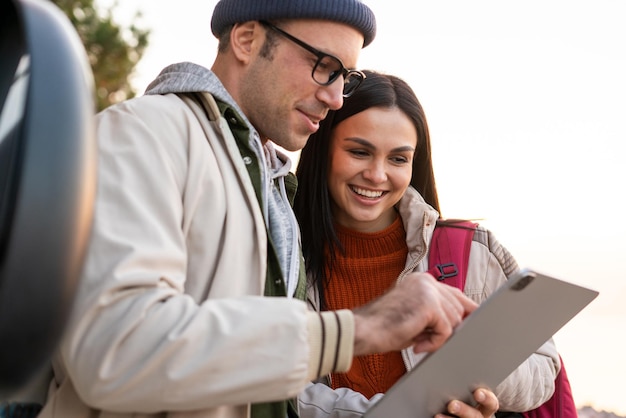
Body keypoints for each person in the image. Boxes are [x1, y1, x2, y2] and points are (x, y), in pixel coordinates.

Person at [38, 1, 499, 417]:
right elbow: (115, 352)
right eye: (323, 66)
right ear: (246, 39)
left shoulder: (272, 182)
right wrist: (360, 328)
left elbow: (267, 387)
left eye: (347, 77)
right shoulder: (141, 134)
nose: (337, 97)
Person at [294, 70, 561, 417]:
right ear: (322, 149)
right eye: (359, 152)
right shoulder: (282, 253)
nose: (377, 175)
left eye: (398, 158)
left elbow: (543, 370)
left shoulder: (475, 251)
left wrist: (476, 371)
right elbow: (266, 384)